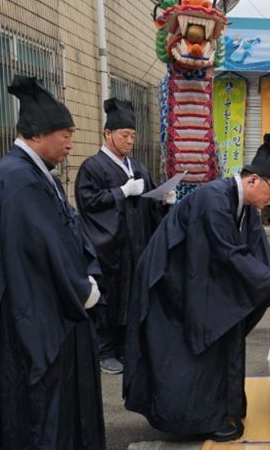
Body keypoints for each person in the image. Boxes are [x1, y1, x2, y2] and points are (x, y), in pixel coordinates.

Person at [124, 132, 270, 442]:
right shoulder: (213, 198)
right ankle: (198, 419)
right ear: (253, 180)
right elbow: (228, 251)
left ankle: (224, 408)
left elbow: (259, 252)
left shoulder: (247, 207)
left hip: (201, 279)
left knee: (226, 330)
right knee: (194, 349)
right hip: (171, 284)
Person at [0, 76, 106, 449]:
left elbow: (69, 231)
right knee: (38, 409)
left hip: (42, 305)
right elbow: (44, 248)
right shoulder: (20, 179)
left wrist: (87, 274)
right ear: (37, 134)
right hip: (30, 315)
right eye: (65, 134)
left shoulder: (35, 173)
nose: (70, 143)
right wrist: (82, 288)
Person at [75, 98, 170, 375]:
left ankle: (124, 347)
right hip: (109, 247)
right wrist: (121, 192)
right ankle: (104, 351)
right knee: (109, 295)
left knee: (131, 296)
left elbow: (149, 201)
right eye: (124, 135)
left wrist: (164, 200)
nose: (129, 141)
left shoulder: (136, 166)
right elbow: (88, 202)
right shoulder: (92, 167)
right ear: (108, 133)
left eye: (133, 136)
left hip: (135, 245)